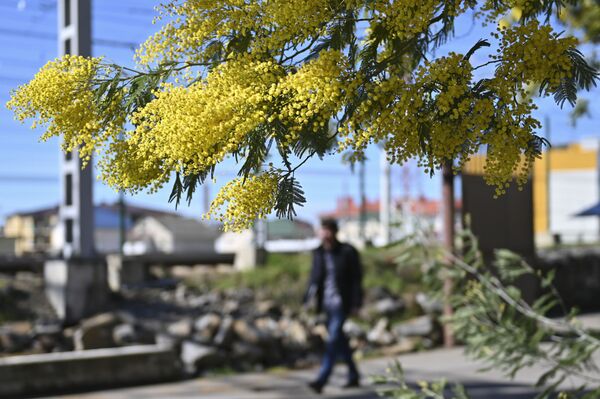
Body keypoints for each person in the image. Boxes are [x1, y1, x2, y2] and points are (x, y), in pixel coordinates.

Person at [303, 218, 363, 394]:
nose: (325, 234)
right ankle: (353, 375)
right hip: (326, 304)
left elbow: (356, 280)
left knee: (332, 340)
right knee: (341, 341)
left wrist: (356, 303)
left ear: (335, 232)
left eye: (328, 230)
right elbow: (314, 279)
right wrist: (307, 299)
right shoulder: (318, 253)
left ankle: (322, 379)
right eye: (323, 230)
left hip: (341, 304)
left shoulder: (347, 252)